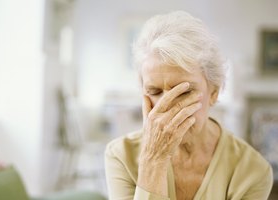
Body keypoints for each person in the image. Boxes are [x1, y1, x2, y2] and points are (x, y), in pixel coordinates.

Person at [104, 11, 273, 200]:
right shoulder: (121, 156)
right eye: (154, 92)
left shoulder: (252, 171)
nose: (167, 106)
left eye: (184, 92)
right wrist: (154, 160)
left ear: (214, 92)